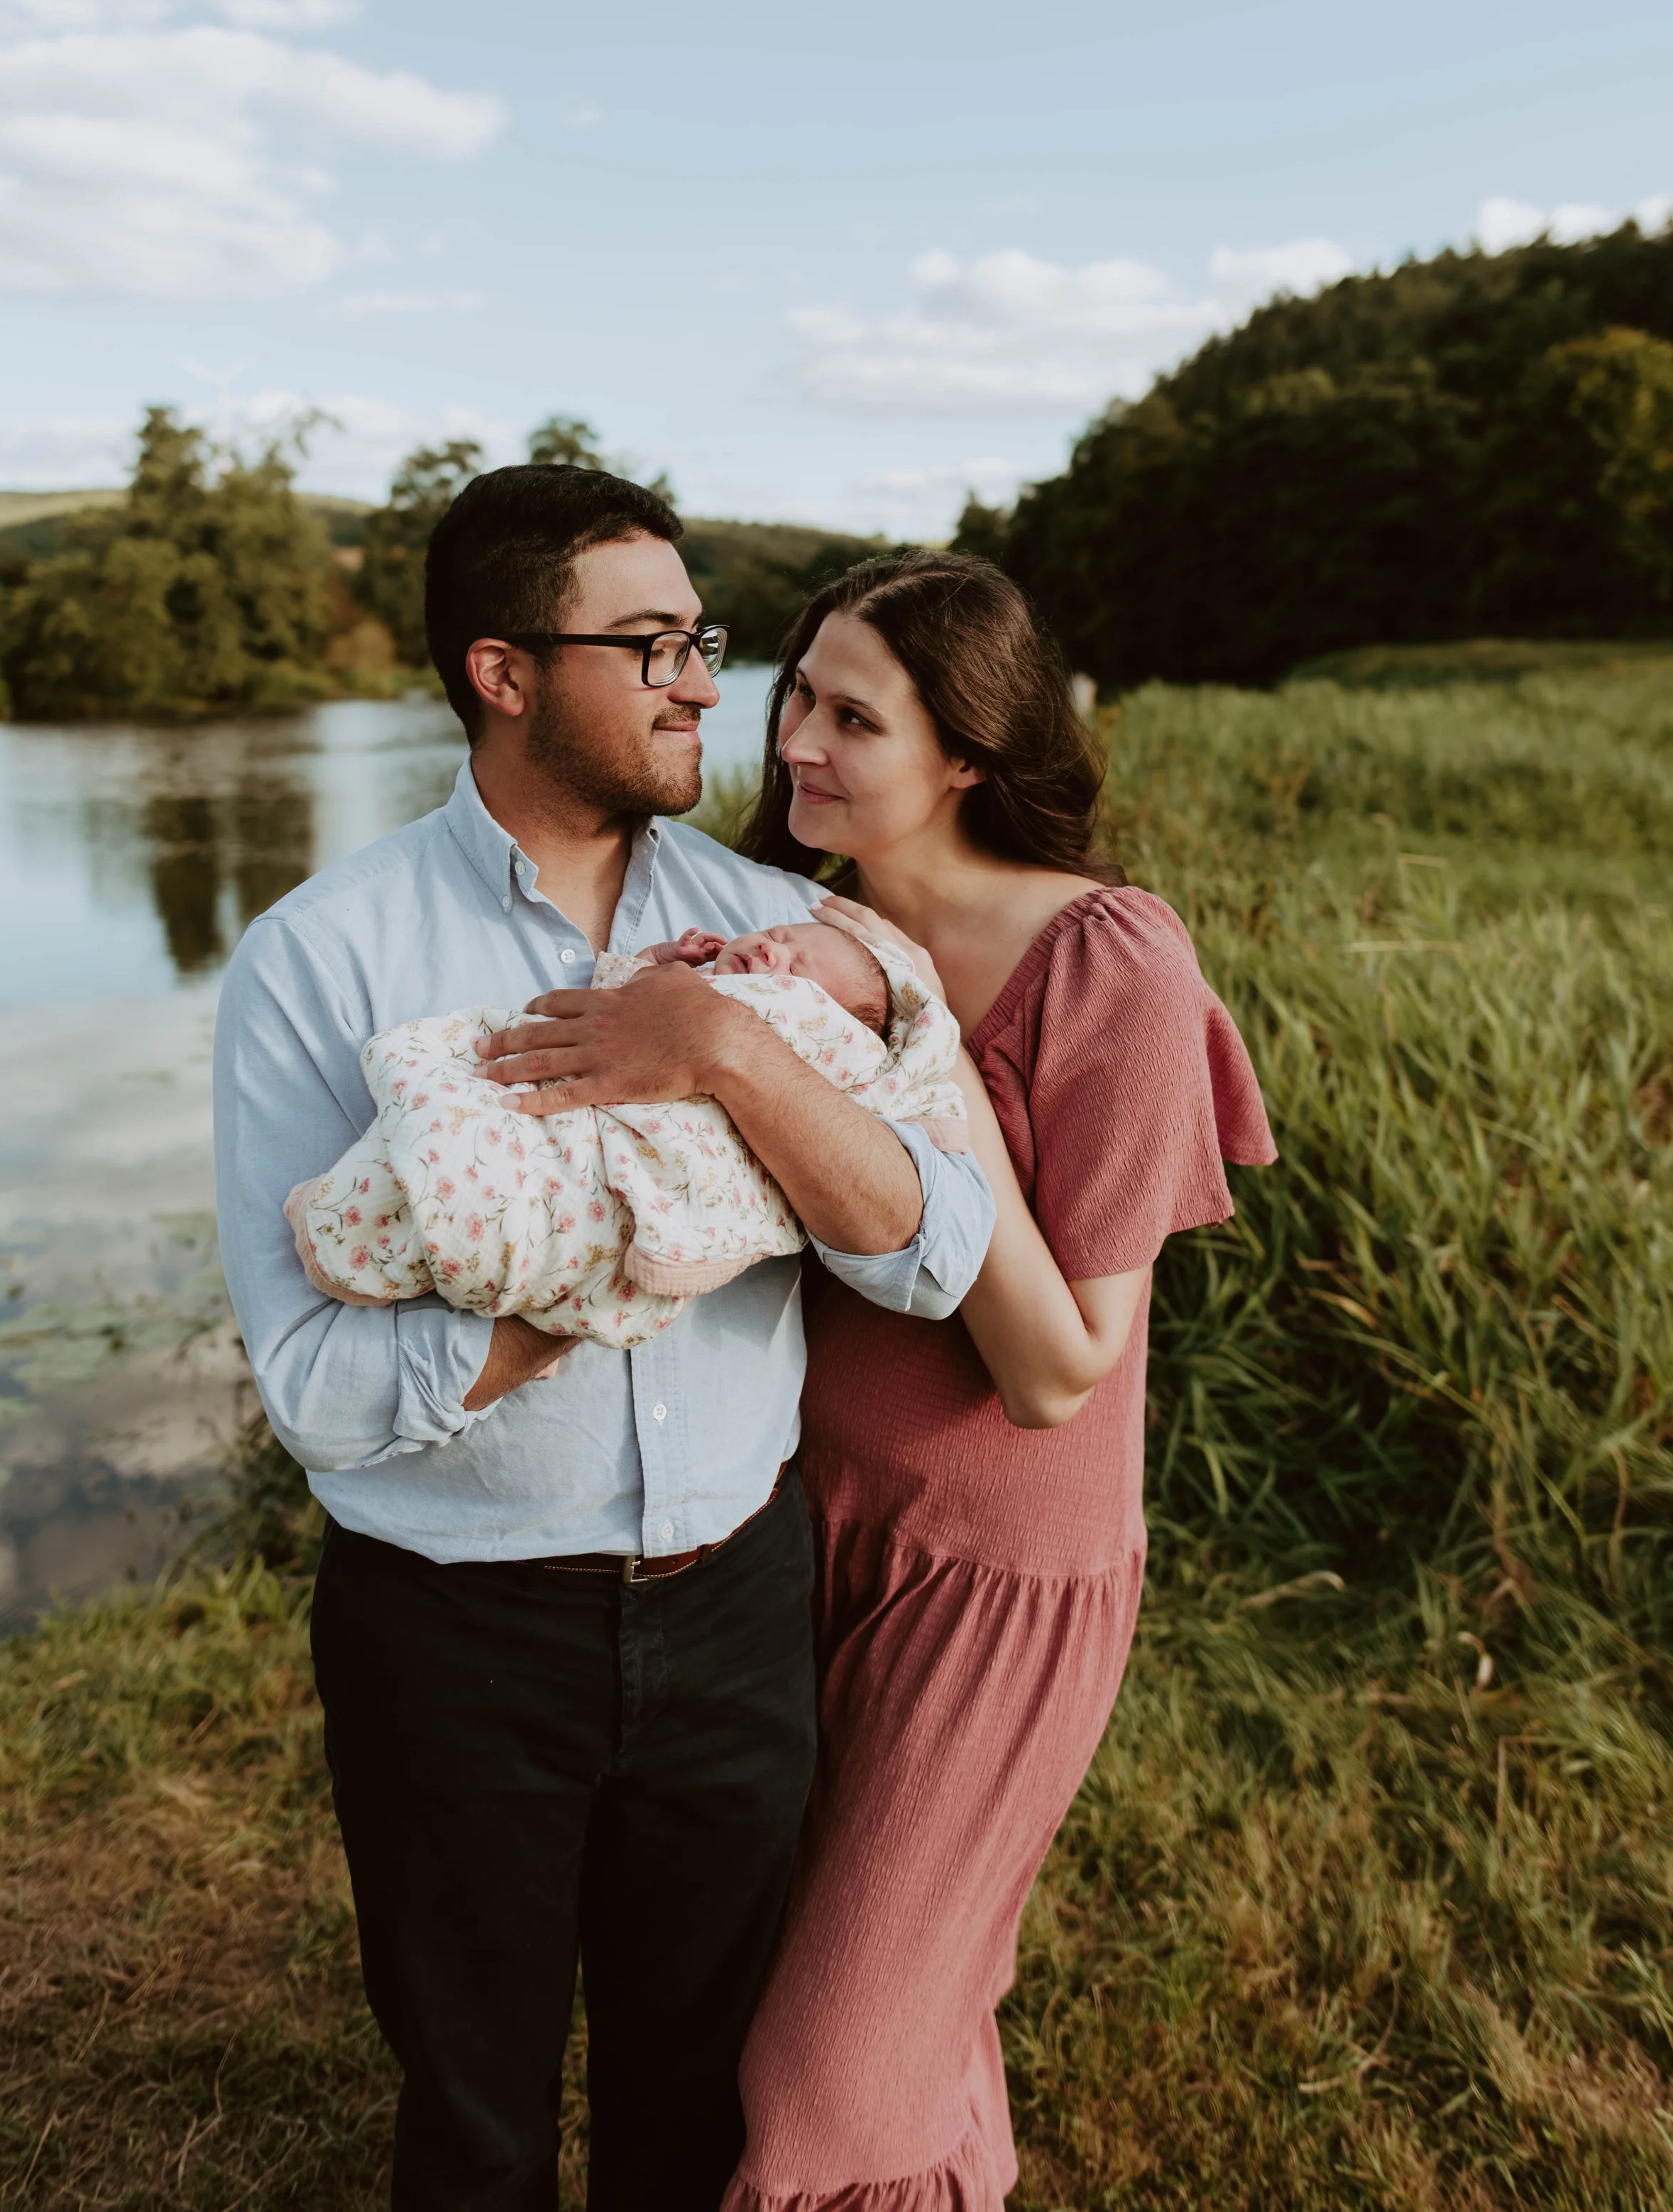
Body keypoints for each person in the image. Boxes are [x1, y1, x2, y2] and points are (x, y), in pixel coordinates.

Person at [210, 469, 994, 2212]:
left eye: (701, 639)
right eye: (649, 646)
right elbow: (316, 1391)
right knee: (473, 2123)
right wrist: (592, 1278)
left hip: (738, 1610)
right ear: (500, 673)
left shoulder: (779, 942)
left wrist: (729, 1055)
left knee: (695, 2116)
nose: (706, 685)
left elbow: (937, 1257)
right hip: (454, 1637)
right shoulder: (318, 959)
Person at [723, 552, 1276, 2212]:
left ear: (965, 752)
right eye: (796, 695)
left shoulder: (1108, 964)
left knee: (819, 2079)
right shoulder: (793, 930)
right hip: (792, 1531)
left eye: (852, 717)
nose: (795, 741)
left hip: (992, 1580)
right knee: (884, 1990)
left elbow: (1059, 1369)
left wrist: (924, 1052)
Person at [281, 915, 964, 1345]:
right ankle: (377, 1217)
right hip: (578, 1111)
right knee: (484, 1111)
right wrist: (664, 965)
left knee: (520, 1191)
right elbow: (620, 1010)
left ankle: (398, 1233)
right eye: (781, 936)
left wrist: (731, 1039)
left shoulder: (826, 1039)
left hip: (754, 1528)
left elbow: (937, 1270)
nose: (774, 952)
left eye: (800, 966)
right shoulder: (319, 937)